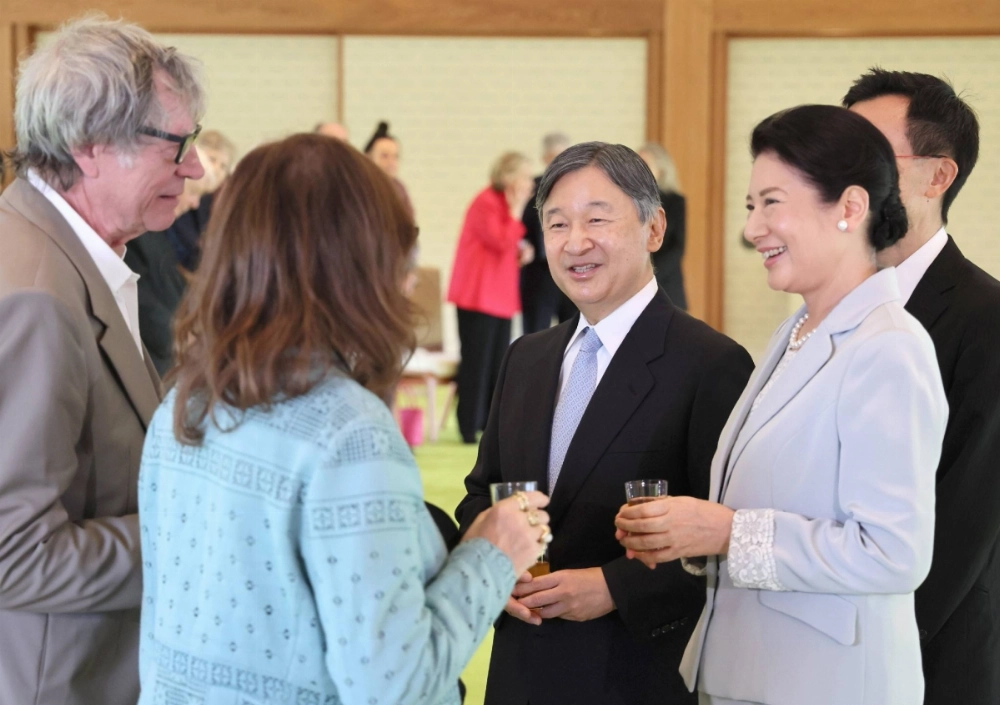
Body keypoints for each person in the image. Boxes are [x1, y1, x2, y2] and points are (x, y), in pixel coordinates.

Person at [137, 133, 552, 705]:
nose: (408, 275)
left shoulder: (185, 402)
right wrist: (493, 556)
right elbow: (394, 685)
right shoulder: (348, 432)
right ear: (355, 261)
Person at [616, 105, 949, 705]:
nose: (752, 228)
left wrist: (725, 532)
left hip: (828, 684)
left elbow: (893, 553)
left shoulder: (889, 348)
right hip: (753, 675)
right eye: (751, 207)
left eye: (772, 203)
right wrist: (691, 536)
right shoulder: (794, 333)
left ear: (850, 207)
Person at [455, 142, 754, 705]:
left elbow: (730, 534)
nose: (575, 242)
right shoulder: (525, 358)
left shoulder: (710, 363)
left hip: (634, 672)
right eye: (557, 223)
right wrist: (495, 566)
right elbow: (479, 492)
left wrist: (614, 588)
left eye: (597, 219)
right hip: (521, 667)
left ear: (655, 227)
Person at [0, 16, 205, 705]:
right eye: (176, 144)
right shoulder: (36, 295)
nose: (194, 167)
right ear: (91, 145)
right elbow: (14, 554)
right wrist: (202, 532)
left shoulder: (63, 255)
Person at [844, 68, 1000, 705]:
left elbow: (965, 517)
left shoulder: (984, 317)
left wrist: (869, 653)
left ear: (939, 175)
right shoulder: (824, 311)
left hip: (926, 656)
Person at [447, 151, 536, 444]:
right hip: (477, 296)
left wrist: (524, 248)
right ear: (509, 177)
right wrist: (516, 210)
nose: (530, 184)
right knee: (476, 362)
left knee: (498, 363)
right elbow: (498, 239)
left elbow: (510, 241)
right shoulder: (486, 201)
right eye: (525, 177)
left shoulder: (506, 205)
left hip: (500, 297)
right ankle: (468, 426)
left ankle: (487, 423)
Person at [521, 132, 577, 333]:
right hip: (539, 271)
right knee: (537, 332)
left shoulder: (580, 187)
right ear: (545, 158)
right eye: (554, 157)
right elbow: (521, 224)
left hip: (571, 267)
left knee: (573, 329)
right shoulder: (531, 187)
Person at [638, 142, 688, 309]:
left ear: (661, 170)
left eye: (646, 166)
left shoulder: (675, 201)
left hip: (666, 284)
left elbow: (677, 247)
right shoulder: (631, 201)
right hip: (636, 286)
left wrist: (651, 274)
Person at [365, 120, 414, 217]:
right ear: (368, 158)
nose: (391, 162)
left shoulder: (400, 189)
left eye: (395, 156)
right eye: (384, 156)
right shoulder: (361, 188)